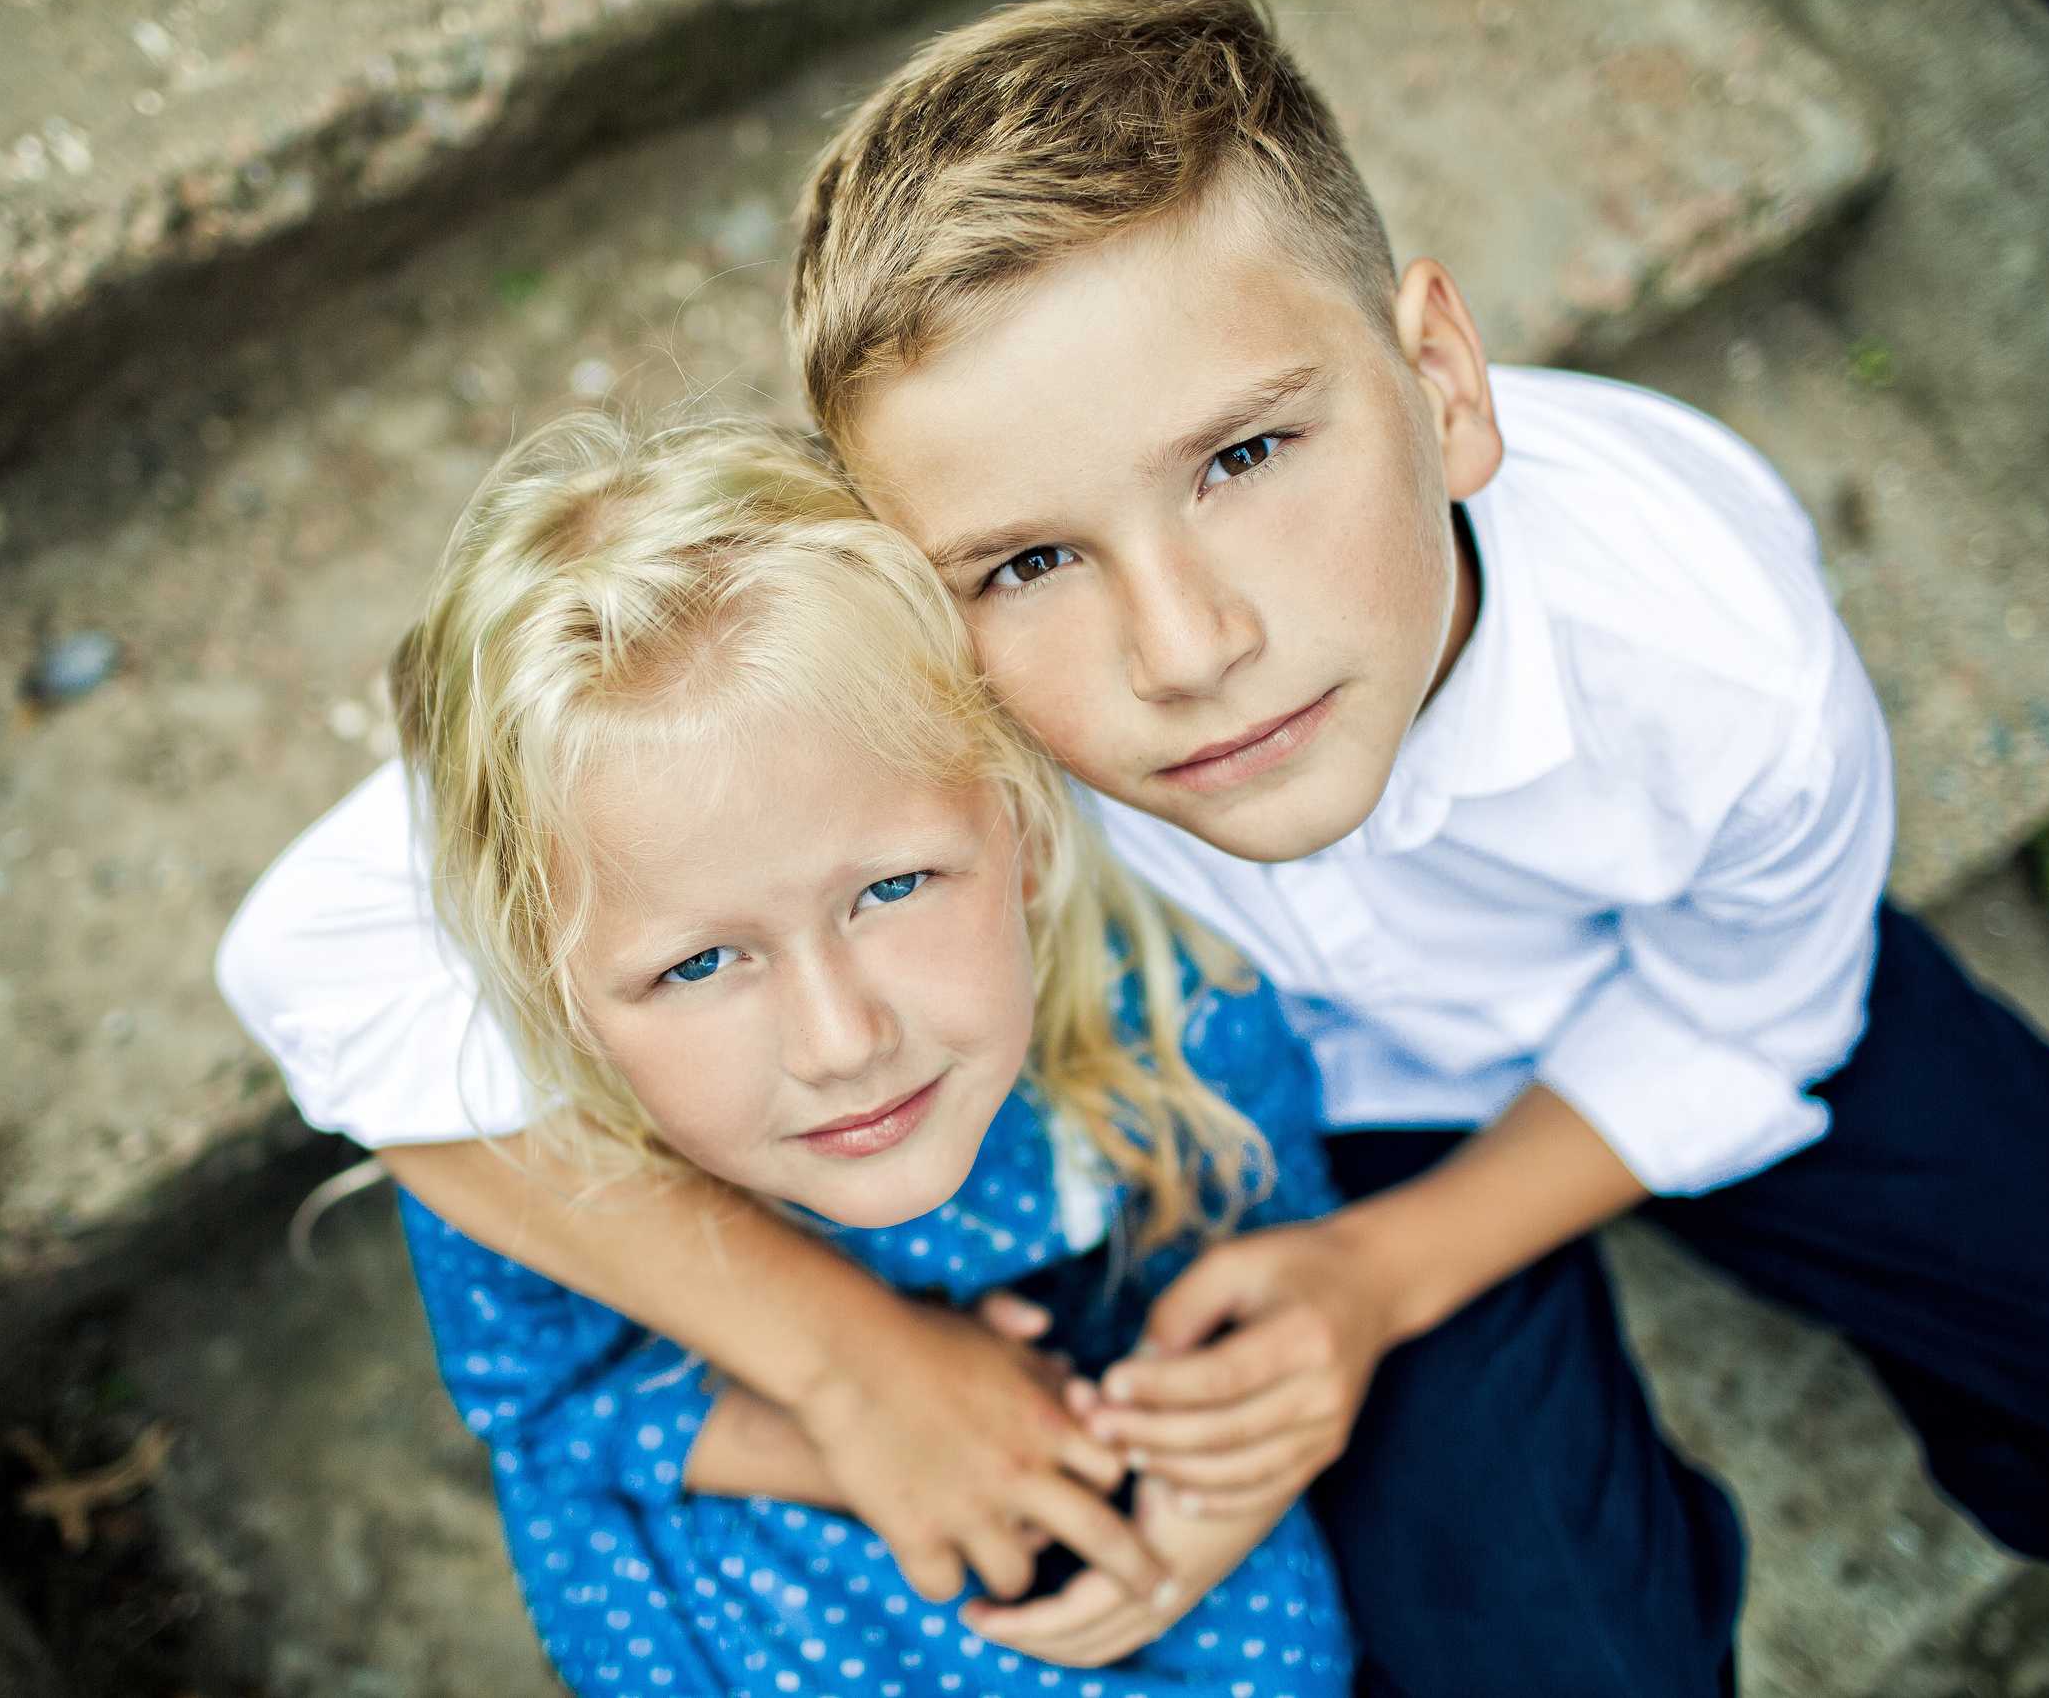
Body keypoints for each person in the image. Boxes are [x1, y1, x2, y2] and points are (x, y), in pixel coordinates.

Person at [221, 0, 2049, 1691]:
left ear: (1441, 386)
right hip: (1232, 1141)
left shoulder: (1707, 651)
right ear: (907, 585)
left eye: (1249, 456)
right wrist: (845, 1358)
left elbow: (1754, 1001)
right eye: (1029, 562)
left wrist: (1394, 1274)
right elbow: (326, 956)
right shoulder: (874, 671)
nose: (1190, 648)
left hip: (1644, 1021)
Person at [379, 411, 1356, 1694]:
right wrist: (834, 1437)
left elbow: (1268, 1267)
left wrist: (1208, 1439)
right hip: (725, 1593)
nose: (843, 1043)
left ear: (1019, 828)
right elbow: (541, 1401)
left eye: (892, 889)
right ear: (551, 996)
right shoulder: (542, 1163)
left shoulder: (1181, 1031)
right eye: (696, 965)